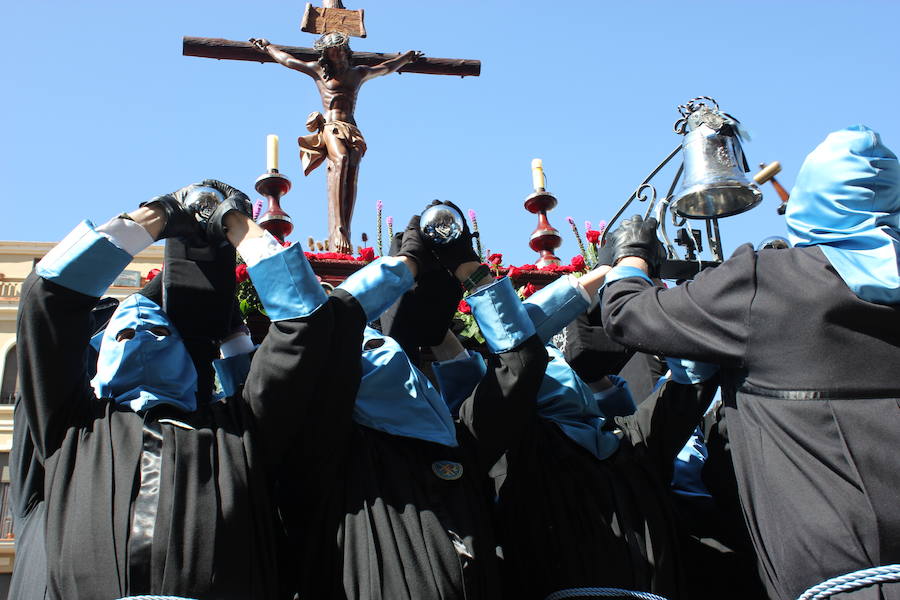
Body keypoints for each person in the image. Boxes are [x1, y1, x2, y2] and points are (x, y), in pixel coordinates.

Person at [600, 125, 900, 600]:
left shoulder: (772, 283)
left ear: (810, 201)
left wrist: (630, 259)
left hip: (844, 583)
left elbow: (629, 315)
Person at [13, 179, 332, 599]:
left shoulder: (240, 430)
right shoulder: (69, 428)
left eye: (161, 332)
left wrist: (237, 224)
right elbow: (46, 296)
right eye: (123, 334)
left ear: (188, 353)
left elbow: (305, 324)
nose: (142, 335)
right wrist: (161, 213)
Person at [275, 206, 547, 599]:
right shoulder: (332, 448)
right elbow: (316, 334)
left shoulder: (461, 444)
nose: (389, 359)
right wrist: (405, 265)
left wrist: (469, 270)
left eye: (398, 355)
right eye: (368, 346)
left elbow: (522, 362)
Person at [432, 264, 720, 599]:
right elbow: (516, 346)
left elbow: (694, 377)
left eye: (561, 360)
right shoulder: (515, 444)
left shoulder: (630, 438)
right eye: (546, 360)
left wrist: (643, 295)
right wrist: (612, 271)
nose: (556, 363)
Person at [250, 32, 422, 253]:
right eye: (332, 53)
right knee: (340, 159)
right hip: (331, 127)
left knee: (352, 173)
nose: (338, 56)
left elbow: (385, 68)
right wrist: (268, 47)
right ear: (327, 56)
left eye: (340, 51)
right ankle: (338, 227)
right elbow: (289, 61)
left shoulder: (357, 74)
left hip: (352, 129)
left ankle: (346, 228)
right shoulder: (319, 72)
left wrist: (406, 58)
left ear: (346, 51)